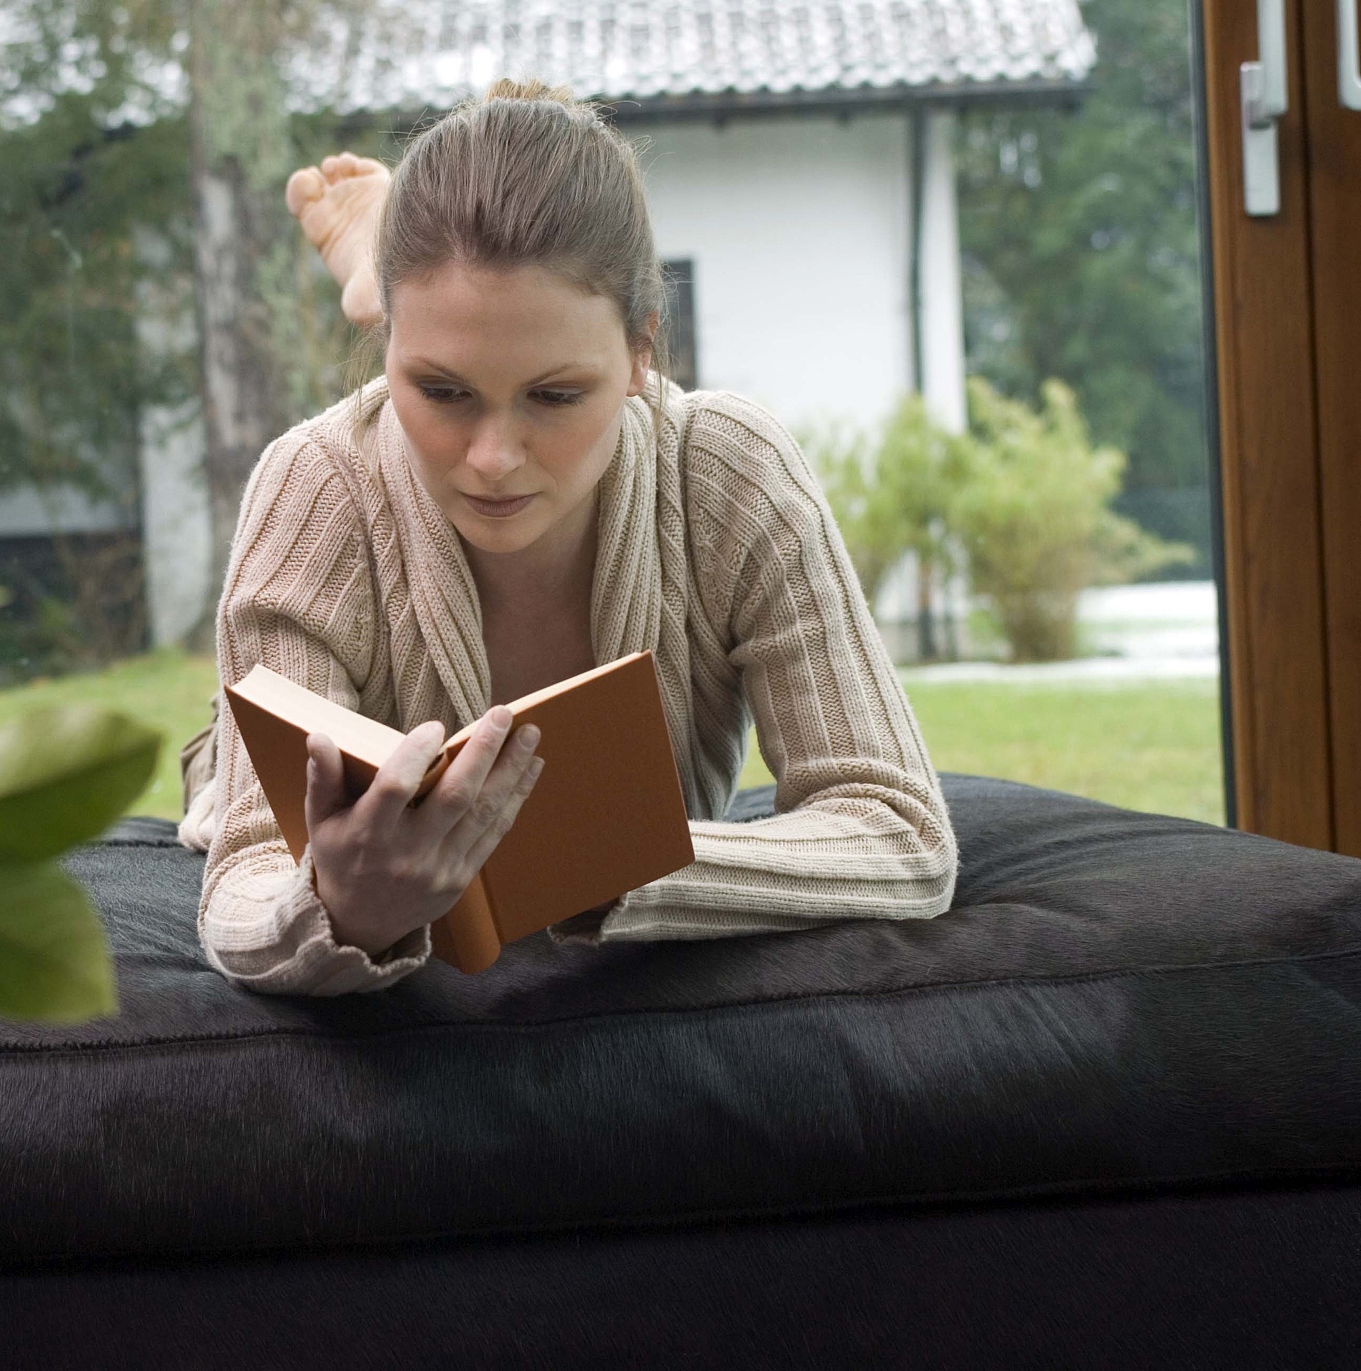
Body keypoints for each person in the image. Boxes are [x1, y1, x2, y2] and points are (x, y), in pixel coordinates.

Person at [178, 80, 956, 995]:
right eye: (442, 390)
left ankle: (388, 283)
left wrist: (599, 871)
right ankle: (381, 283)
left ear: (641, 350)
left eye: (554, 395)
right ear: (391, 358)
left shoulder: (724, 471)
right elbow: (243, 880)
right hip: (273, 707)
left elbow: (902, 832)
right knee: (214, 783)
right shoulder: (315, 483)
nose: (494, 458)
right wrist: (336, 909)